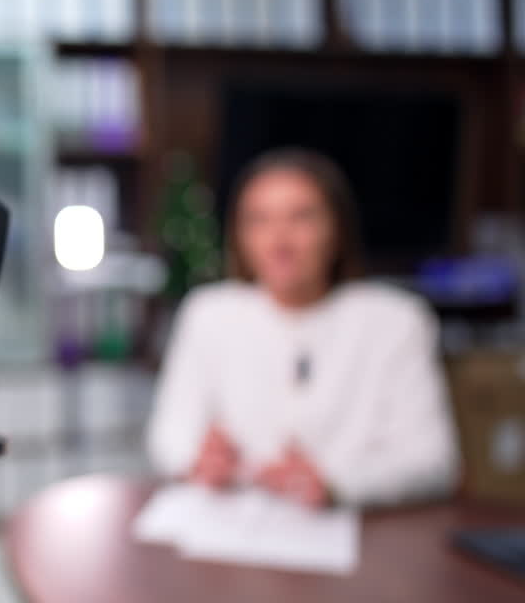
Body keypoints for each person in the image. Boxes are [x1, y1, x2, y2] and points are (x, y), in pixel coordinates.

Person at [146, 149, 459, 508]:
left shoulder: (397, 321)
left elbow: (434, 463)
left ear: (336, 229)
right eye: (258, 219)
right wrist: (197, 460)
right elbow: (167, 437)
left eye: (301, 217)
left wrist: (336, 483)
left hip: (360, 532)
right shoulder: (209, 313)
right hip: (235, 526)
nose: (279, 240)